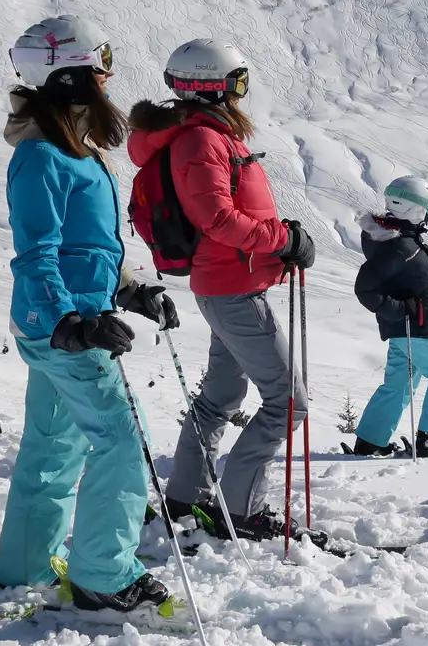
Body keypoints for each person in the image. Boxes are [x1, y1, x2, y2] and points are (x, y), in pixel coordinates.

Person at [0, 15, 173, 615]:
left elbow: (83, 248)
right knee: (123, 441)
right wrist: (70, 321)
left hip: (64, 323)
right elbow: (37, 252)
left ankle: (22, 565)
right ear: (69, 76)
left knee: (53, 448)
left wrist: (127, 290)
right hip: (62, 329)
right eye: (100, 67)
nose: (108, 78)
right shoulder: (42, 157)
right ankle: (103, 574)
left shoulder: (75, 150)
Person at [131, 39, 315, 541]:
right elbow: (215, 218)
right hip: (234, 288)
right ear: (212, 85)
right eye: (237, 81)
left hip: (228, 283)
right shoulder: (201, 141)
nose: (242, 91)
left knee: (221, 395)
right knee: (289, 401)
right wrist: (283, 239)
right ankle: (243, 510)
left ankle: (186, 496)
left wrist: (280, 234)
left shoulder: (204, 135)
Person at [348, 176, 428, 457]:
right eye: (427, 208)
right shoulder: (400, 247)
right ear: (414, 210)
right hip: (419, 329)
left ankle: (371, 441)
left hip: (405, 331)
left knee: (400, 383)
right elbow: (365, 289)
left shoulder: (395, 240)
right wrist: (405, 311)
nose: (427, 215)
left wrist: (401, 314)